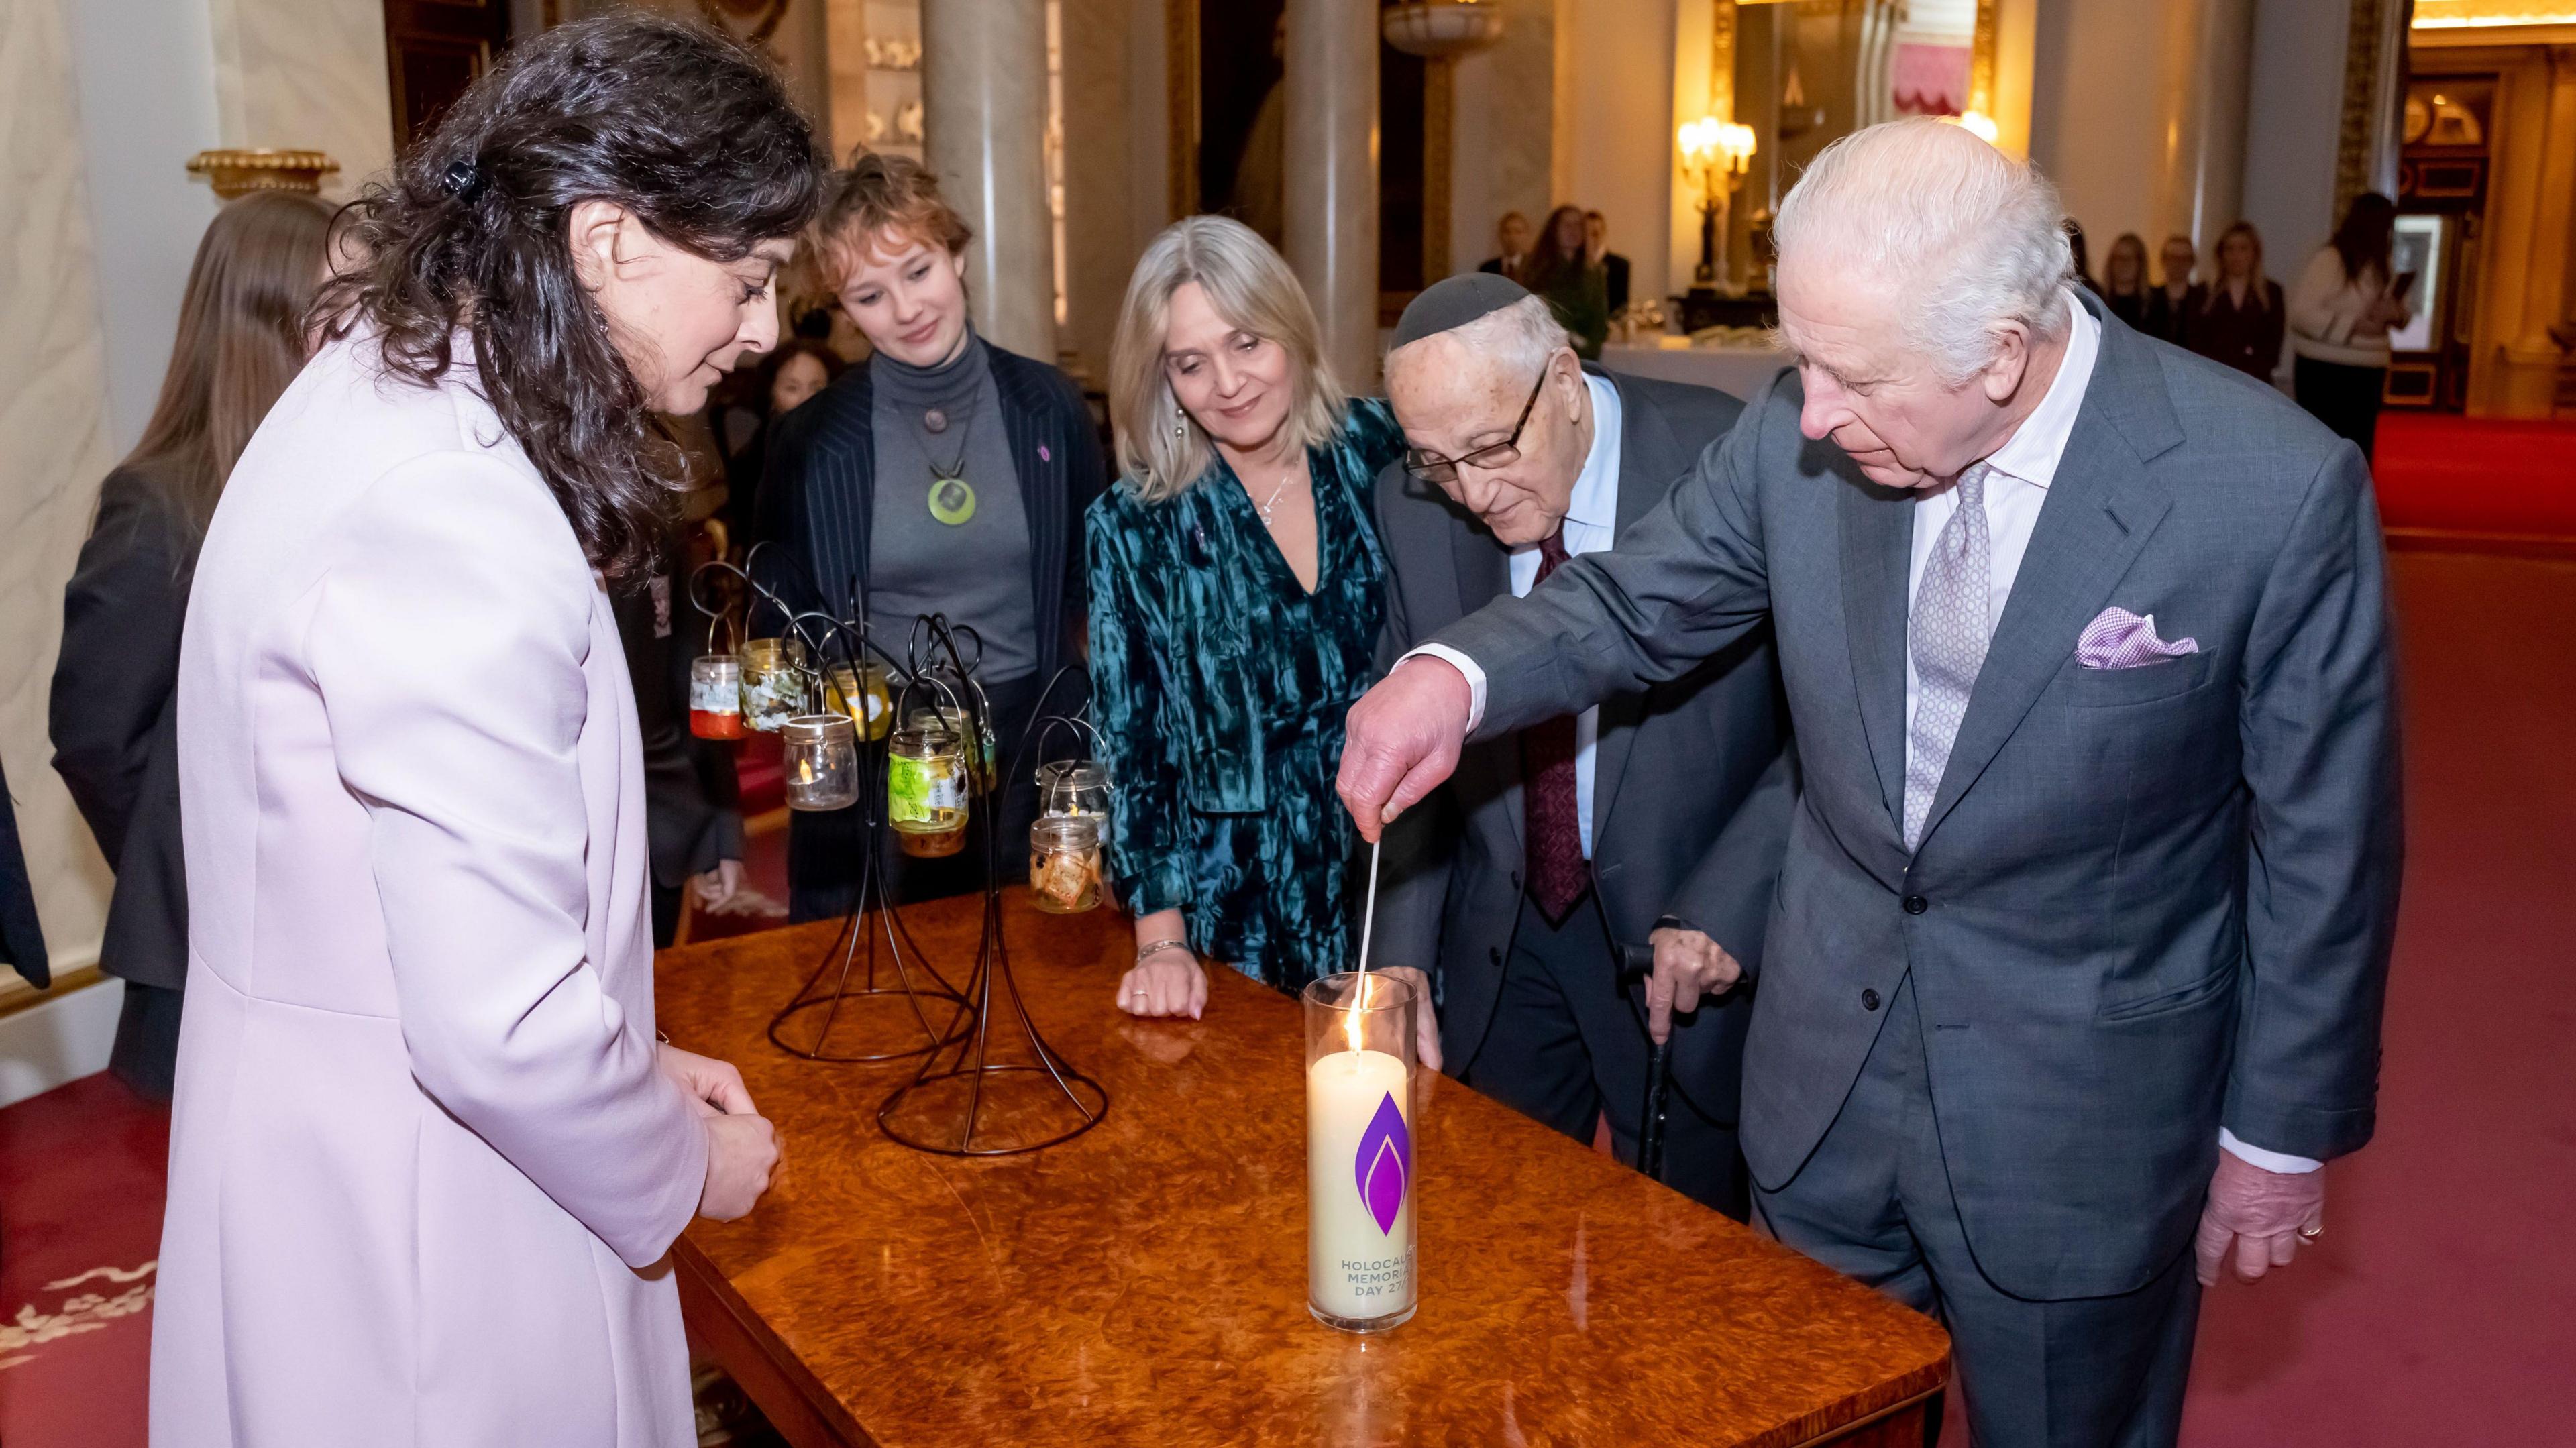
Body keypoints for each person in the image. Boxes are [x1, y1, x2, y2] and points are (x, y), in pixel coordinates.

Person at [1337, 119, 2398, 1448]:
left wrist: (2278, 1133)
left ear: (2005, 353)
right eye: (1804, 359)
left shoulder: (2269, 492)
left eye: (1853, 377)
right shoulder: (1809, 425)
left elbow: (2325, 844)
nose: (1813, 414)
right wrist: (1457, 675)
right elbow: (1632, 602)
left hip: (2077, 1113)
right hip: (1821, 1079)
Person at [150, 17, 811, 1445]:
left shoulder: (376, 392)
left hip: (345, 1154)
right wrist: (683, 1158)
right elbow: (499, 1023)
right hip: (427, 1238)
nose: (764, 330)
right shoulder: (449, 500)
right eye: (749, 279)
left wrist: (627, 1057)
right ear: (610, 239)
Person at [1372, 273, 1793, 1217]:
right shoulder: (1412, 506)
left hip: (1683, 940)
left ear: (1563, 380)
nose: (1473, 493)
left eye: (1489, 447)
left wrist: (1731, 901)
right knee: (1502, 1242)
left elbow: (1823, 732)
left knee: (1684, 1266)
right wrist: (1398, 952)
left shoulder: (1722, 461)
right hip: (1506, 934)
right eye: (1437, 462)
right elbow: (1414, 741)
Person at [1089, 215, 1426, 1032]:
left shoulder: (1380, 448)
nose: (1228, 384)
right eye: (1191, 364)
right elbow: (1129, 747)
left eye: (1247, 344)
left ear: (1290, 329)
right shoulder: (1135, 524)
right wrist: (1160, 937)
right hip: (1230, 913)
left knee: (1402, 1146)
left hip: (1395, 881)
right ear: (1163, 378)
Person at [758, 152, 1106, 915]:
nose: (906, 308)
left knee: (1031, 979)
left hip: (1028, 745)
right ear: (846, 311)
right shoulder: (812, 442)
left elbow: (1095, 583)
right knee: (882, 996)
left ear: (955, 253)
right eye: (871, 295)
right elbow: (778, 613)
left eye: (918, 271)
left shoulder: (1048, 407)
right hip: (881, 759)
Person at [48, 191, 331, 1102]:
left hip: (330, 948)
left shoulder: (329, 481)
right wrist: (203, 865)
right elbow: (97, 739)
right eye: (344, 312)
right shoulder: (160, 504)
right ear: (269, 322)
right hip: (219, 951)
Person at [2290, 192, 2410, 459]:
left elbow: (2403, 314)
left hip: (2370, 368)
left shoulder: (2383, 264)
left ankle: (2353, 500)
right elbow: (2302, 313)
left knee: (2359, 447)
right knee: (2325, 447)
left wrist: (2396, 313)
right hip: (2327, 370)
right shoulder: (2330, 260)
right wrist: (2353, 326)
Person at [711, 337, 841, 543]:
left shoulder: (848, 447)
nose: (806, 399)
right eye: (792, 388)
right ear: (771, 395)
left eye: (817, 388)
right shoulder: (752, 461)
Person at [2190, 221, 2286, 383]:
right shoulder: (2203, 293)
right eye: (2230, 249)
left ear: (2254, 253)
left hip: (2255, 382)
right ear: (2221, 253)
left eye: (2243, 248)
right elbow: (2195, 341)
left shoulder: (2272, 293)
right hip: (2211, 379)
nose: (2236, 256)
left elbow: (2272, 347)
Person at [1530, 204, 1611, 359]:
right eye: (1567, 225)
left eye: (1578, 226)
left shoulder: (1594, 271)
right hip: (1549, 352)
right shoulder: (1538, 270)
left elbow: (1600, 319)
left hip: (1587, 355)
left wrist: (1590, 346)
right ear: (1554, 230)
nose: (1573, 231)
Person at [2146, 234, 2201, 347]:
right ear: (2164, 260)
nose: (2178, 263)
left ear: (2192, 262)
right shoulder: (2149, 299)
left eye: (2184, 258)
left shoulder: (2203, 302)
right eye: (2173, 257)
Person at [1584, 209, 1633, 316]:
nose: (1589, 238)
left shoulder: (1619, 265)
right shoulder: (1574, 265)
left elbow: (1621, 307)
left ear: (1603, 234)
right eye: (1585, 233)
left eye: (1595, 233)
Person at [2100, 232, 2152, 332]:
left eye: (2129, 258)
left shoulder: (2152, 306)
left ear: (2140, 263)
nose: (2123, 264)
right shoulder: (2101, 303)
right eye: (2119, 258)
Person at [1478, 210, 1533, 285]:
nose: (1512, 237)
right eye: (1507, 232)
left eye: (1518, 232)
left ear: (1527, 235)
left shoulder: (1534, 267)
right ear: (1500, 235)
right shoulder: (1486, 269)